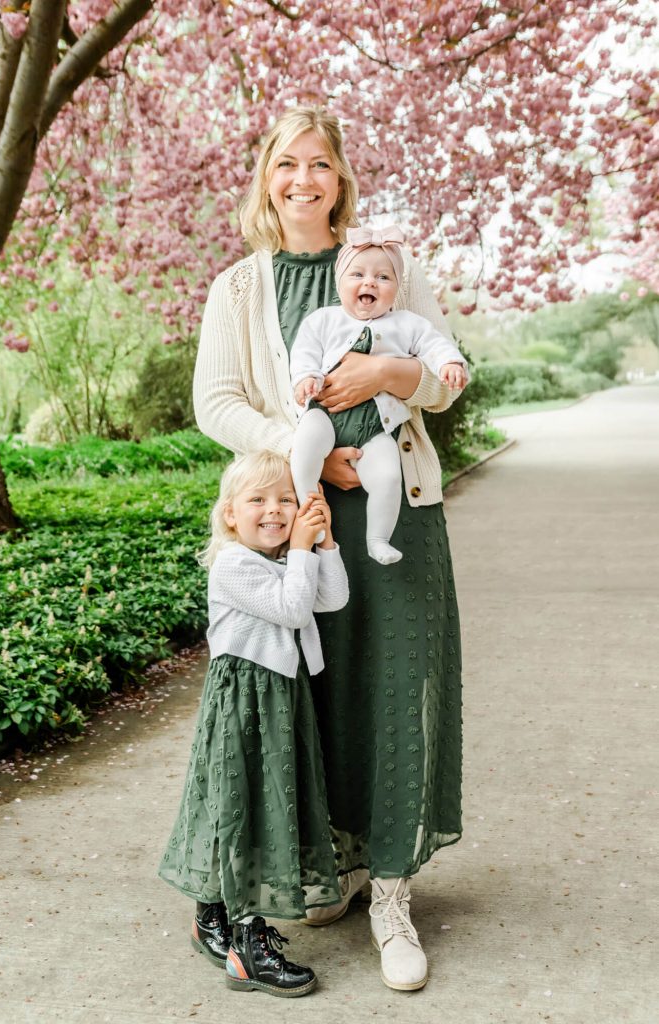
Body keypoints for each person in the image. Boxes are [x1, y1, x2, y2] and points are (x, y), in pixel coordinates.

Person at [191, 105, 464, 993]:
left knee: (393, 691)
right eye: (285, 165)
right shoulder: (238, 287)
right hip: (295, 518)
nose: (303, 179)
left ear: (341, 178)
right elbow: (216, 401)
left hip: (395, 516)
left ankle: (391, 894)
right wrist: (307, 445)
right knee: (310, 696)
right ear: (266, 180)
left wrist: (391, 376)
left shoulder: (394, 266)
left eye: (319, 164)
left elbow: (448, 379)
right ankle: (333, 866)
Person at [158, 450, 349, 997]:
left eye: (286, 500)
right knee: (247, 809)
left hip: (282, 699)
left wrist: (326, 542)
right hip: (245, 702)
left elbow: (331, 598)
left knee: (258, 803)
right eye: (258, 500)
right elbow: (293, 611)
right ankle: (247, 944)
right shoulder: (235, 565)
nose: (275, 510)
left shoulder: (290, 561)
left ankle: (213, 916)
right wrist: (300, 549)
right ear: (230, 516)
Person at [290, 223, 468, 565]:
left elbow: (434, 344)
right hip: (325, 415)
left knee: (388, 475)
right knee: (305, 446)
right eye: (357, 274)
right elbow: (305, 353)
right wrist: (306, 378)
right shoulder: (323, 320)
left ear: (396, 288)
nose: (369, 282)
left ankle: (378, 538)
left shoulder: (406, 324)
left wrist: (449, 363)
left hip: (376, 428)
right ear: (339, 283)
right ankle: (308, 501)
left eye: (383, 278)